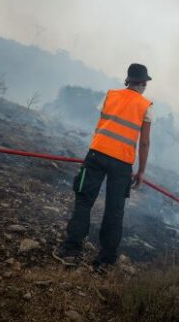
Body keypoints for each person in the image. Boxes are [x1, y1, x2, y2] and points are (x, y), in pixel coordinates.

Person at [56, 63, 153, 269]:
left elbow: (101, 123)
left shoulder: (110, 95)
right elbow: (144, 143)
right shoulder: (146, 106)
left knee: (84, 200)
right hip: (122, 163)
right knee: (114, 210)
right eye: (145, 83)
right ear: (143, 83)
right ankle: (106, 258)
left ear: (128, 80)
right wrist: (141, 171)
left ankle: (72, 246)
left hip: (97, 154)